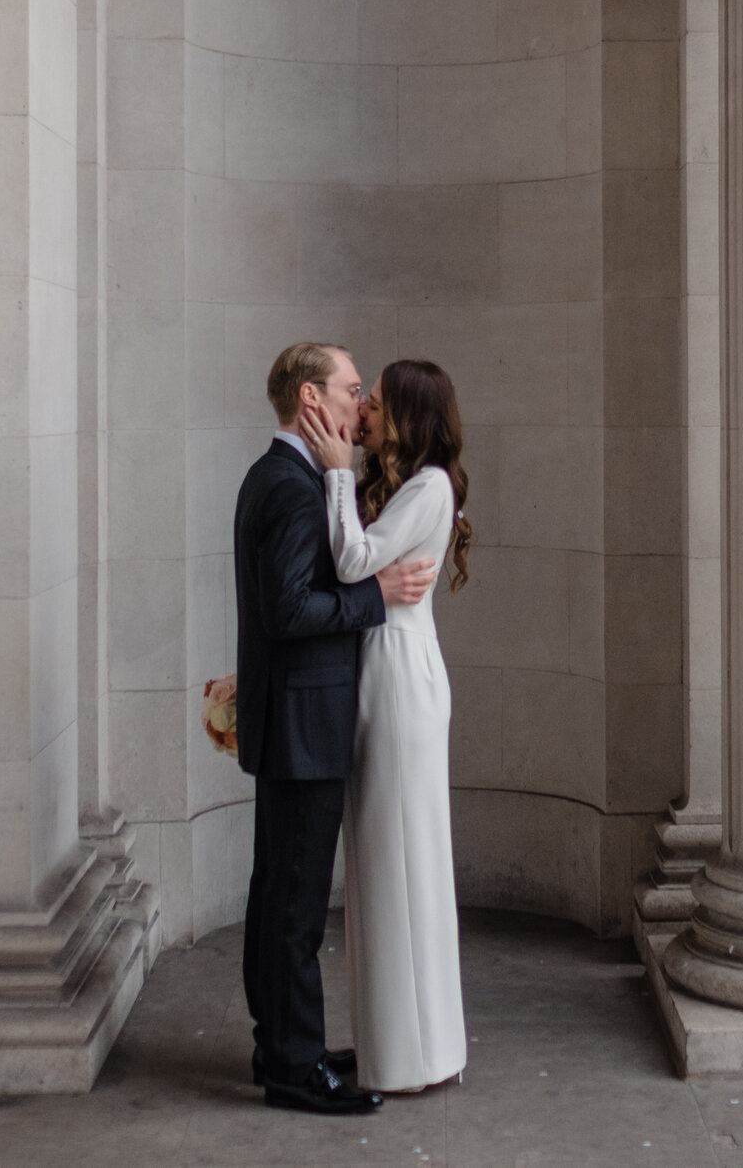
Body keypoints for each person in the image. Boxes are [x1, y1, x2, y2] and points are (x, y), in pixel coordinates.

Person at [234, 342, 438, 1117]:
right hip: (303, 724)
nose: (360, 406)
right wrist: (376, 595)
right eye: (353, 389)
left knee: (277, 892)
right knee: (294, 903)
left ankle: (282, 1044)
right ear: (313, 399)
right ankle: (294, 1065)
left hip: (293, 718)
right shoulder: (290, 488)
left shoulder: (283, 476)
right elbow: (290, 611)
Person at [299, 358, 471, 1094]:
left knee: (399, 860)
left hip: (398, 677)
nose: (361, 409)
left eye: (373, 401)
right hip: (391, 667)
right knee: (388, 862)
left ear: (405, 413)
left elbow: (352, 558)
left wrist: (338, 471)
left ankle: (408, 1057)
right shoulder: (413, 486)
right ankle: (407, 1049)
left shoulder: (430, 485)